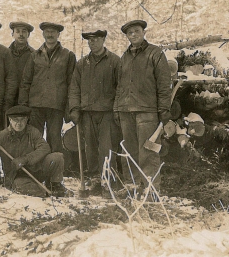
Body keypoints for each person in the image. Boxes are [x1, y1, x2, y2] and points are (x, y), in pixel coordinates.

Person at [113, 20, 171, 193]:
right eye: (129, 33)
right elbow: (119, 85)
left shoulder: (155, 53)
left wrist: (164, 108)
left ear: (143, 32)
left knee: (148, 151)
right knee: (128, 150)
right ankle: (132, 185)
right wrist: (117, 108)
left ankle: (151, 189)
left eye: (136, 31)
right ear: (127, 36)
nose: (133, 35)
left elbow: (164, 83)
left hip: (147, 112)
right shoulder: (124, 57)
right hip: (126, 111)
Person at [69, 30, 121, 197]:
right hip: (87, 113)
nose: (93, 43)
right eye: (90, 40)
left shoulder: (114, 61)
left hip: (107, 112)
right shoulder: (82, 64)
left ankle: (108, 181)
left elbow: (121, 88)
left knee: (107, 148)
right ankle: (95, 180)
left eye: (96, 39)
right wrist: (74, 109)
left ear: (104, 40)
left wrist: (117, 110)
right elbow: (74, 88)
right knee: (90, 148)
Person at [0, 105, 69, 197]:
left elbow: (45, 148)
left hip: (36, 171)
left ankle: (55, 185)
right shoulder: (2, 136)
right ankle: (43, 192)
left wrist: (25, 159)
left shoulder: (32, 132)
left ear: (27, 120)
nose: (19, 123)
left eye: (22, 120)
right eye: (15, 120)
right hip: (16, 176)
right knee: (19, 185)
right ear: (10, 120)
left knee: (57, 157)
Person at [19, 22, 76, 154]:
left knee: (54, 139)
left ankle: (53, 169)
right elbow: (25, 82)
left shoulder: (68, 56)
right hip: (36, 105)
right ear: (43, 34)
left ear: (58, 34)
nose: (50, 34)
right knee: (34, 138)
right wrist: (24, 105)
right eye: (47, 32)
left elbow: (72, 84)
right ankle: (35, 169)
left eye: (53, 32)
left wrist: (69, 107)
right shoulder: (34, 55)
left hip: (56, 105)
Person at [8, 21, 35, 105]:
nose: (21, 34)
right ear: (12, 34)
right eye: (17, 31)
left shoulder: (34, 55)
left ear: (28, 34)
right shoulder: (5, 54)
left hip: (27, 100)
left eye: (24, 31)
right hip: (8, 99)